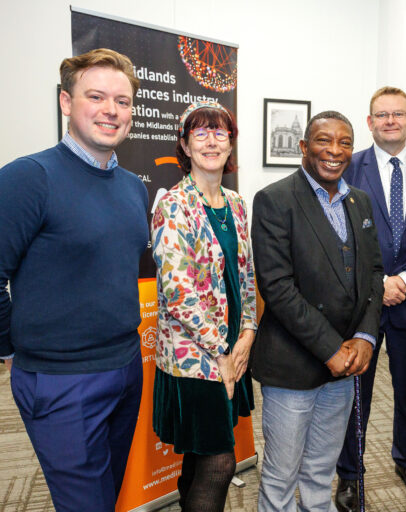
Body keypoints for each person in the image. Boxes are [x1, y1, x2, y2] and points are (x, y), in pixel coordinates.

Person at [0, 48, 148, 511]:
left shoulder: (132, 188)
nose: (111, 110)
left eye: (122, 101)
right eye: (96, 96)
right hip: (60, 380)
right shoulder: (27, 179)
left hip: (125, 368)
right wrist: (12, 348)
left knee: (109, 495)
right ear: (65, 102)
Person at [251, 111, 384, 512]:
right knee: (281, 475)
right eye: (324, 141)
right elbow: (277, 288)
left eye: (345, 142)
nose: (334, 150)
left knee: (320, 472)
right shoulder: (275, 200)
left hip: (345, 365)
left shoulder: (359, 200)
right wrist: (331, 348)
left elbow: (374, 274)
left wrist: (364, 337)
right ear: (304, 147)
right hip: (294, 365)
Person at [336, 86, 406, 509]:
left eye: (397, 114)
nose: (389, 121)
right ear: (369, 122)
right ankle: (350, 474)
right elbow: (339, 236)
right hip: (362, 303)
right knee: (355, 392)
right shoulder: (347, 166)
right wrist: (377, 283)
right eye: (381, 115)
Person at [150, 99, 257, 511]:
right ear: (185, 144)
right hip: (195, 358)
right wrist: (222, 353)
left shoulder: (235, 203)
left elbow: (245, 277)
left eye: (220, 132)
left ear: (231, 144)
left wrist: (247, 334)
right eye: (200, 132)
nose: (211, 141)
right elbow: (178, 293)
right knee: (219, 464)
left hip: (233, 348)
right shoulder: (173, 204)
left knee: (199, 456)